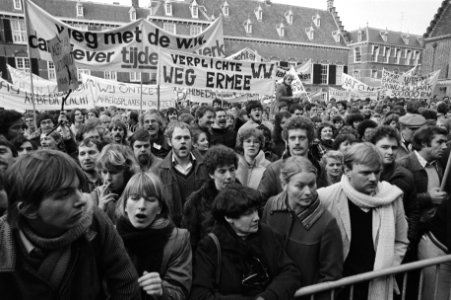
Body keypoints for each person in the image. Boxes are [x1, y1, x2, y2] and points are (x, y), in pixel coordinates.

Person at [0, 150, 140, 299]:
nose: (81, 200)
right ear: (29, 209)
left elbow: (126, 284)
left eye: (79, 188)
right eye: (64, 194)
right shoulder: (3, 241)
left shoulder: (95, 222)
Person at [318, 143, 408, 300]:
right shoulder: (326, 197)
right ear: (347, 170)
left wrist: (387, 269)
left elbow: (401, 240)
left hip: (377, 283)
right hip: (340, 286)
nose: (373, 178)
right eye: (366, 173)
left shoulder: (392, 196)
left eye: (377, 172)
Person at [190, 183, 301, 300]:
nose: (257, 218)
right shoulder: (210, 246)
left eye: (256, 211)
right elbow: (201, 294)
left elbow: (290, 272)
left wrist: (268, 296)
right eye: (248, 214)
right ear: (228, 217)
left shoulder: (267, 234)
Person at [262, 156, 343, 289]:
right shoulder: (271, 206)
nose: (308, 192)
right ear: (284, 184)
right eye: (300, 186)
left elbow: (331, 277)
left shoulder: (327, 223)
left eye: (312, 184)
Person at [116, 172, 192, 300]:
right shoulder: (111, 237)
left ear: (159, 208)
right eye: (134, 198)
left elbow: (180, 292)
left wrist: (162, 291)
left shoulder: (178, 239)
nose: (141, 206)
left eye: (150, 200)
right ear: (125, 206)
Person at [397, 125, 448, 240]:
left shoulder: (437, 163)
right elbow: (399, 202)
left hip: (432, 230)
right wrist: (428, 198)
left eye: (445, 142)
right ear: (424, 143)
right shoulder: (404, 165)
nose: (444, 147)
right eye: (440, 142)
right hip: (412, 232)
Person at [182, 145, 238, 251]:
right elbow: (191, 243)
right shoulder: (196, 202)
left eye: (232, 169)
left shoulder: (245, 198)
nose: (229, 176)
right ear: (211, 174)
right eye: (222, 171)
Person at [258, 116, 327, 201]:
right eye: (292, 138)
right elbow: (261, 204)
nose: (297, 142)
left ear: (309, 141)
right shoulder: (273, 170)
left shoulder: (320, 168)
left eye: (301, 138)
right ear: (287, 141)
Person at [155, 121, 208, 226]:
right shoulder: (159, 171)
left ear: (192, 141)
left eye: (186, 138)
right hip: (174, 229)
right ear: (170, 142)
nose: (183, 142)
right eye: (178, 138)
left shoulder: (205, 166)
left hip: (202, 227)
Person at [91, 144, 140, 223]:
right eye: (104, 172)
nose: (108, 178)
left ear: (126, 172)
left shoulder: (138, 193)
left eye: (113, 172)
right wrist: (100, 210)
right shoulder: (95, 196)